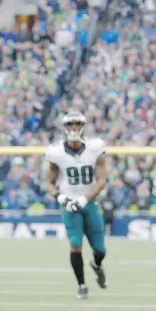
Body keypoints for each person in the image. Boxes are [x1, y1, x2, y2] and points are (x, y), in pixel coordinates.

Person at [45, 111, 108, 300]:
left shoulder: (95, 148)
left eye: (77, 125)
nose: (73, 129)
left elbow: (102, 180)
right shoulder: (56, 152)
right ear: (65, 127)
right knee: (75, 244)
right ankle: (81, 285)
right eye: (70, 125)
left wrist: (85, 199)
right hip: (69, 203)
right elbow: (49, 183)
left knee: (100, 249)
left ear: (82, 126)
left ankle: (97, 264)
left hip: (88, 202)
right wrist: (62, 198)